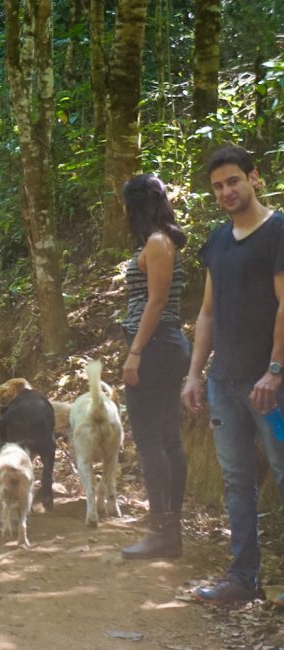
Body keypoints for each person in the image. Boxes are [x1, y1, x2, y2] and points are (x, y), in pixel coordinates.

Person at [181, 144, 284, 606]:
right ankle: (243, 578)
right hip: (225, 383)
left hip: (271, 388)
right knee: (237, 481)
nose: (226, 191)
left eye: (233, 181)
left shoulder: (277, 232)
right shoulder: (218, 241)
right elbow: (207, 314)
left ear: (254, 177)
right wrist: (194, 374)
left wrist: (276, 370)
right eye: (218, 186)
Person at [119, 174, 190, 560]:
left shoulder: (158, 242)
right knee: (165, 440)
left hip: (157, 348)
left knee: (152, 441)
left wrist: (135, 351)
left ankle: (162, 530)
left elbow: (157, 303)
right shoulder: (158, 241)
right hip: (161, 347)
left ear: (136, 206)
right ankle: (168, 531)